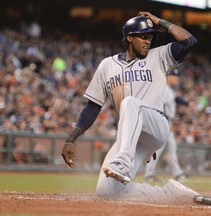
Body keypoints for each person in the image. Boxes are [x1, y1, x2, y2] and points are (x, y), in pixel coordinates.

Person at [61, 12, 198, 204]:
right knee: (107, 190)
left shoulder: (158, 56)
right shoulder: (107, 65)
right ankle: (168, 193)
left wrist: (159, 21)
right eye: (144, 36)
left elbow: (189, 42)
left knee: (130, 103)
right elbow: (93, 107)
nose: (148, 41)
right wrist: (70, 139)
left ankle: (123, 162)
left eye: (151, 37)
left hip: (156, 126)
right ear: (129, 38)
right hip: (131, 138)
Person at [144, 68, 188, 183]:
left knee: (171, 149)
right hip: (163, 122)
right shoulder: (162, 88)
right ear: (168, 77)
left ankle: (178, 173)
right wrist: (166, 122)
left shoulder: (169, 90)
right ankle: (149, 174)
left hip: (167, 123)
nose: (176, 78)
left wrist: (187, 103)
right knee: (159, 149)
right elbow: (160, 107)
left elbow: (176, 99)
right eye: (174, 76)